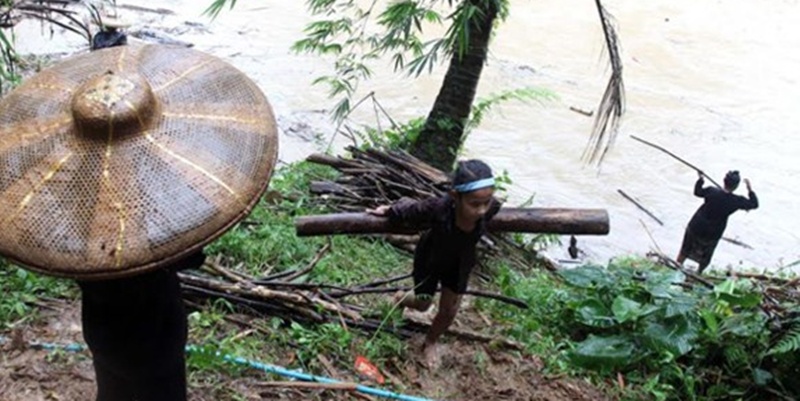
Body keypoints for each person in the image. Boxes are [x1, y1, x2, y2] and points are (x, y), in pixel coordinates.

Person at [77, 15, 198, 401]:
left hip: (102, 320)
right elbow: (191, 253)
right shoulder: (152, 171)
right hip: (153, 322)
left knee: (112, 387)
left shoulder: (73, 173)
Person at [368, 159, 502, 369]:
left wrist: (485, 207)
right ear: (456, 196)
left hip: (460, 263)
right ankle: (400, 298)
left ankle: (430, 342)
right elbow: (412, 210)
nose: (482, 211)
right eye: (475, 204)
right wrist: (389, 210)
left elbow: (490, 210)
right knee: (423, 304)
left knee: (449, 310)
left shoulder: (491, 208)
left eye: (486, 202)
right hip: (431, 258)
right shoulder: (438, 208)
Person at [78, 253, 205, 401]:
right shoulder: (156, 235)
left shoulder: (83, 242)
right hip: (157, 340)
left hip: (106, 334)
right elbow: (193, 256)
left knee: (112, 389)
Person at [677, 170, 758, 274]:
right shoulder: (736, 201)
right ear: (736, 186)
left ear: (724, 181)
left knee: (685, 249)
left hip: (696, 225)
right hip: (713, 232)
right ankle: (699, 273)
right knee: (706, 255)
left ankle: (677, 266)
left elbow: (697, 192)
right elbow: (754, 204)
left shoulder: (712, 191)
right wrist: (749, 189)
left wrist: (700, 179)